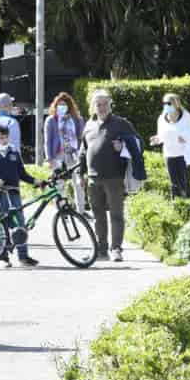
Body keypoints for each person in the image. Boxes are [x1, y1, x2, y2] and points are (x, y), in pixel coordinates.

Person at [79, 89, 138, 263]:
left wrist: (123, 148)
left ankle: (116, 249)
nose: (102, 107)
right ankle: (101, 249)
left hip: (114, 178)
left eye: (105, 104)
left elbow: (137, 144)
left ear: (110, 105)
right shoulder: (89, 125)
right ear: (93, 106)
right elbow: (83, 151)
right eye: (98, 104)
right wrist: (80, 173)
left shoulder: (121, 123)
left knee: (116, 215)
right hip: (93, 178)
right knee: (98, 216)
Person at [0, 125, 41, 267]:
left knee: (20, 224)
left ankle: (23, 256)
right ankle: (2, 256)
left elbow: (22, 173)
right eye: (1, 138)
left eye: (6, 137)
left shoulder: (14, 153)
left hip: (13, 193)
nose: (5, 140)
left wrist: (35, 181)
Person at [150, 92, 190, 199]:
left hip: (185, 155)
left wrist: (185, 136)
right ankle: (176, 207)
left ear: (176, 104)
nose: (165, 105)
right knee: (174, 184)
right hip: (170, 155)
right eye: (164, 103)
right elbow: (161, 135)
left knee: (184, 182)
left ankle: (186, 206)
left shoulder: (187, 117)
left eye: (168, 103)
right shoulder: (161, 118)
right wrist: (157, 139)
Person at [43, 92, 86, 212]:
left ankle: (81, 211)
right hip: (58, 155)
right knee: (59, 184)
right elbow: (48, 141)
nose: (62, 107)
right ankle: (62, 211)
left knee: (78, 183)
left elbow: (82, 137)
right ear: (55, 106)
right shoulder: (51, 120)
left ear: (69, 106)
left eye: (64, 104)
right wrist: (49, 159)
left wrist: (82, 155)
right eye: (59, 105)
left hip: (74, 154)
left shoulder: (77, 119)